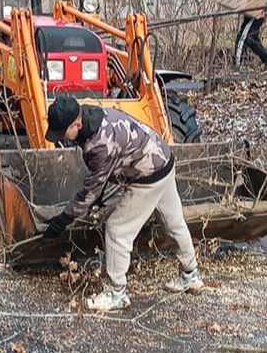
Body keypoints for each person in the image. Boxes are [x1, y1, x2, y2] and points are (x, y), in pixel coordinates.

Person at [43, 96, 203, 312]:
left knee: (117, 230)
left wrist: (63, 220)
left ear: (77, 124)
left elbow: (91, 188)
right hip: (162, 159)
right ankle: (191, 275)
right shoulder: (90, 115)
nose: (61, 138)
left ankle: (116, 293)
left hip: (148, 176)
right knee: (174, 223)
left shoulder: (100, 143)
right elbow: (104, 172)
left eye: (63, 133)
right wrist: (96, 197)